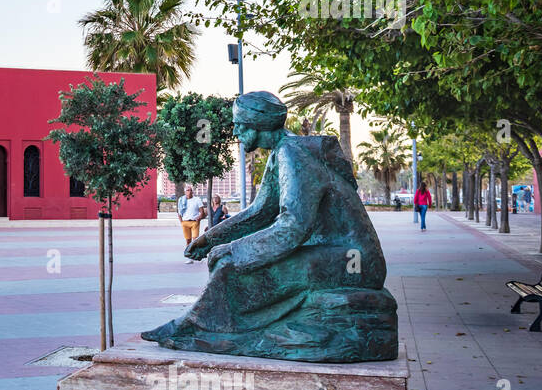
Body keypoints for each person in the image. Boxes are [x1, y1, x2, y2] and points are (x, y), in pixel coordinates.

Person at [144, 91, 396, 363]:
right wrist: (211, 239)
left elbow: (292, 227)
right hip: (341, 256)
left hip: (354, 260)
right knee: (228, 262)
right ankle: (208, 328)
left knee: (230, 268)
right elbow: (261, 212)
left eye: (240, 124)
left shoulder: (293, 153)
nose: (236, 131)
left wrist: (232, 249)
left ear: (258, 124)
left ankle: (199, 330)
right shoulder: (284, 151)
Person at [176, 184, 207, 263]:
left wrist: (199, 218)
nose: (189, 192)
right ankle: (190, 258)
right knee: (188, 241)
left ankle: (199, 255)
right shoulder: (181, 200)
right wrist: (181, 222)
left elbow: (202, 212)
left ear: (192, 191)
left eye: (190, 190)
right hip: (185, 222)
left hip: (194, 222)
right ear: (185, 192)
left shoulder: (197, 200)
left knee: (195, 240)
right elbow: (179, 212)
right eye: (187, 190)